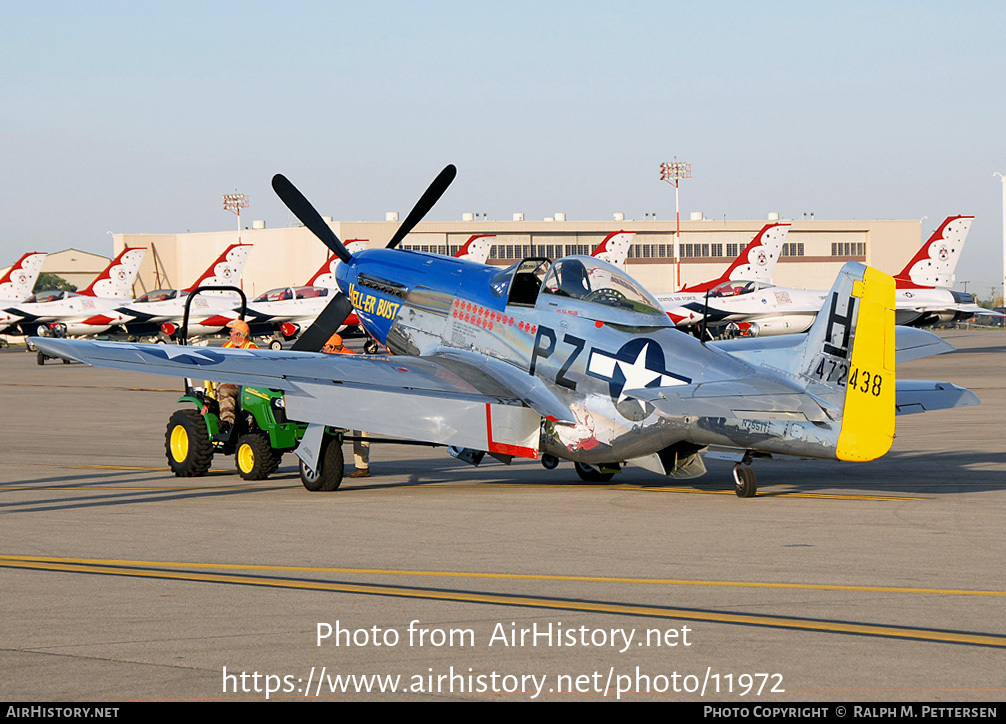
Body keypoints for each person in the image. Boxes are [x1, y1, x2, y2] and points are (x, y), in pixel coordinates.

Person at [322, 332, 370, 477]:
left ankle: (362, 467)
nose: (323, 349)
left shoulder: (346, 359)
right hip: (352, 400)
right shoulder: (347, 356)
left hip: (357, 401)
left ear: (332, 347)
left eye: (325, 347)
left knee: (360, 433)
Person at [215, 319, 258, 432]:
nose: (229, 333)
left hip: (246, 384)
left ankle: (251, 424)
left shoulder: (251, 348)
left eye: (231, 330)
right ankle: (227, 423)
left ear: (238, 334)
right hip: (229, 382)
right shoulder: (227, 346)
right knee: (225, 389)